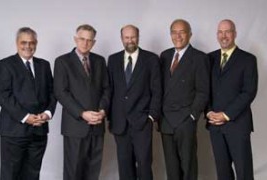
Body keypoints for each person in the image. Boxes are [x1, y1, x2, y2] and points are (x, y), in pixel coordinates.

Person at [0, 27, 56, 180]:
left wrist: (47, 114)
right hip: (13, 131)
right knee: (11, 174)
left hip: (39, 131)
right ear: (17, 43)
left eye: (32, 42)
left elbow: (53, 93)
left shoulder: (44, 65)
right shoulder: (5, 64)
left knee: (33, 174)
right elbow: (3, 95)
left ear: (36, 43)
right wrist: (25, 116)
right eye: (24, 42)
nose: (28, 46)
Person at [54, 24, 109, 180]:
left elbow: (107, 89)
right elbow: (61, 93)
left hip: (97, 125)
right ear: (75, 39)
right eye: (82, 39)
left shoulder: (99, 61)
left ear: (94, 42)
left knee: (93, 170)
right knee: (74, 171)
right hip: (75, 126)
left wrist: (102, 111)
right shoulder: (62, 61)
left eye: (89, 40)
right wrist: (82, 114)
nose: (85, 43)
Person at [107, 24, 161, 180]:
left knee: (144, 165)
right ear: (121, 38)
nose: (130, 40)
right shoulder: (113, 59)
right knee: (124, 166)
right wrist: (110, 118)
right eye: (126, 37)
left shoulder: (151, 59)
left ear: (138, 37)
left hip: (142, 122)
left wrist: (151, 117)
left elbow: (157, 90)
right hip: (120, 123)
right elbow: (110, 90)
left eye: (133, 37)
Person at [206, 19, 258, 180]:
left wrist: (226, 115)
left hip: (237, 124)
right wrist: (208, 112)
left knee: (243, 171)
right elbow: (204, 90)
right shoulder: (209, 59)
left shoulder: (247, 59)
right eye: (220, 32)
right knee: (223, 173)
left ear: (235, 34)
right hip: (215, 126)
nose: (224, 36)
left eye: (227, 31)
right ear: (217, 35)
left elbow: (249, 92)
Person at [159, 19, 210, 180]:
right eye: (174, 32)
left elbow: (203, 91)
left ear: (190, 34)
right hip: (166, 120)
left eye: (182, 32)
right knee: (171, 166)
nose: (178, 36)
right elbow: (160, 88)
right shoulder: (165, 56)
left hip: (185, 119)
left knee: (188, 165)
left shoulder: (199, 57)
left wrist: (192, 116)